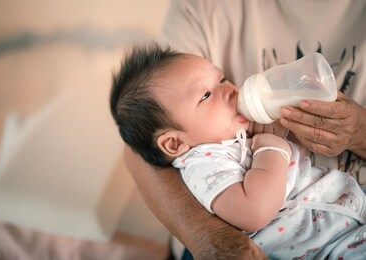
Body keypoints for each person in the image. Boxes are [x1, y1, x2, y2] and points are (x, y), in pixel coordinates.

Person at [124, 0, 366, 259]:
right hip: (325, 245)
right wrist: (271, 146)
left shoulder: (231, 136)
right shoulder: (205, 165)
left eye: (222, 79)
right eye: (206, 95)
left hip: (342, 217)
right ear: (174, 144)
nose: (231, 90)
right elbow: (255, 211)